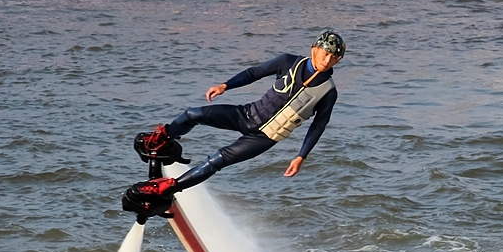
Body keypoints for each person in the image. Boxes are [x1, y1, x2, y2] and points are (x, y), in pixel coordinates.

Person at [128, 29, 346, 198]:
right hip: (247, 114)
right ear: (314, 49)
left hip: (263, 138)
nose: (327, 61)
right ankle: (163, 140)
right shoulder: (288, 62)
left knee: (216, 161)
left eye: (333, 58)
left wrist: (301, 156)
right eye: (325, 54)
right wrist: (225, 86)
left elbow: (318, 126)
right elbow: (254, 73)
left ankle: (167, 189)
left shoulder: (328, 92)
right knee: (193, 114)